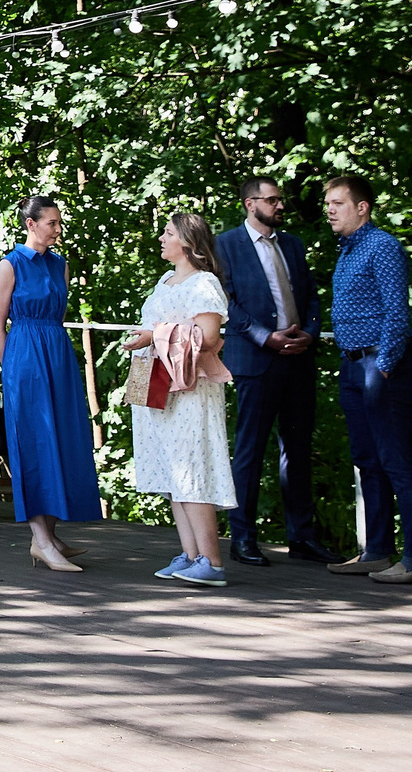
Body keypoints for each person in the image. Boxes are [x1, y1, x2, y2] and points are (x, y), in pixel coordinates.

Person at [215, 176, 338, 567]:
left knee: (297, 451)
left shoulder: (293, 244)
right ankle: (243, 538)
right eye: (272, 200)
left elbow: (312, 296)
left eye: (281, 199)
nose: (281, 206)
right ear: (251, 204)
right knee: (249, 450)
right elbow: (226, 303)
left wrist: (312, 334)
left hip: (299, 358)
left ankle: (302, 537)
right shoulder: (226, 245)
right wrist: (264, 336)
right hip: (255, 359)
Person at [324, 173, 412, 584]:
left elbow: (396, 312)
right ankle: (376, 550)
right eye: (328, 204)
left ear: (361, 208)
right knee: (367, 460)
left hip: (383, 364)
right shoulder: (348, 249)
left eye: (337, 203)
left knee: (396, 460)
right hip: (354, 364)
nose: (330, 210)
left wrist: (385, 365)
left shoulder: (383, 246)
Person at [0, 194, 104, 571]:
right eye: (51, 223)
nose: (57, 229)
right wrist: (11, 369)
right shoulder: (11, 264)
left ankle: (51, 535)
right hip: (25, 356)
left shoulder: (60, 265)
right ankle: (40, 541)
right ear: (30, 224)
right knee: (36, 443)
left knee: (64, 439)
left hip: (57, 351)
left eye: (58, 222)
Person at [123, 213, 236, 586]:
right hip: (157, 382)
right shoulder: (165, 280)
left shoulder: (204, 283)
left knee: (192, 466)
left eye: (168, 233)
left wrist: (152, 334)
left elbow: (205, 335)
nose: (161, 237)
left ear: (187, 242)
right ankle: (190, 554)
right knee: (174, 469)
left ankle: (212, 560)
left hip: (189, 388)